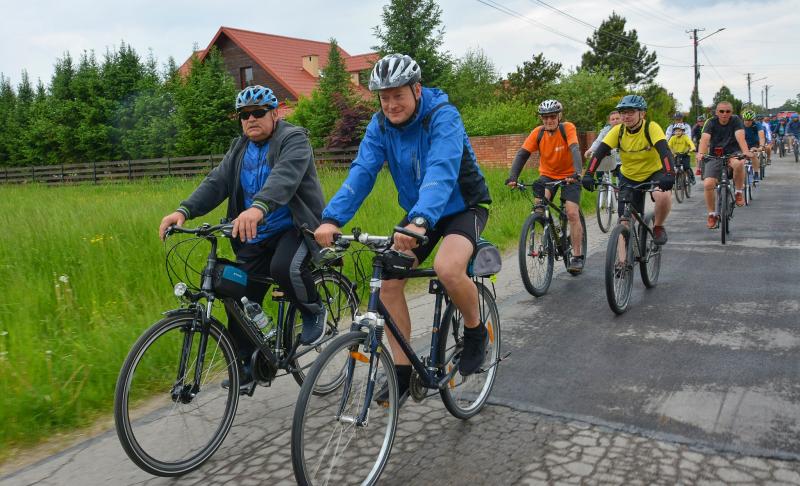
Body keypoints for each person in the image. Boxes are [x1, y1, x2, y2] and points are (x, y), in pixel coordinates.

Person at [314, 54, 492, 404]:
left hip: (463, 206)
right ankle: (402, 370)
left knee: (447, 268)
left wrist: (420, 220)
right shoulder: (380, 126)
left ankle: (475, 332)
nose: (391, 104)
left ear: (417, 89)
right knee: (389, 282)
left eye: (398, 95)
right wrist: (332, 218)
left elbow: (441, 169)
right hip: (419, 214)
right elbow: (362, 172)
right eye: (384, 97)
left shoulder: (443, 116)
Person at [158, 84, 328, 393]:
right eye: (244, 115)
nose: (251, 119)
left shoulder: (293, 139)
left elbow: (284, 177)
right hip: (256, 235)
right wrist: (184, 211)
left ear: (274, 114)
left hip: (295, 228)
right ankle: (249, 365)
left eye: (258, 112)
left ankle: (313, 310)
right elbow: (217, 182)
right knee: (235, 292)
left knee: (283, 267)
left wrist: (258, 208)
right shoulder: (239, 148)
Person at [582, 95, 675, 246]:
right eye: (623, 112)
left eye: (631, 112)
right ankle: (623, 259)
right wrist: (588, 174)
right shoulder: (618, 131)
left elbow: (665, 152)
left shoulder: (651, 128)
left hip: (654, 172)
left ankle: (658, 226)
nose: (626, 116)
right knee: (624, 222)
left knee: (663, 195)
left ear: (642, 113)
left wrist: (669, 173)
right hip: (629, 176)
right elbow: (599, 153)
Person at [506, 99, 585, 274]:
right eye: (545, 117)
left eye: (552, 116)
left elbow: (574, 149)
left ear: (559, 116)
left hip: (570, 176)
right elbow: (522, 154)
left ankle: (577, 256)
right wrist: (513, 176)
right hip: (548, 176)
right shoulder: (538, 133)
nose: (549, 120)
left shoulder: (567, 128)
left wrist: (577, 173)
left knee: (572, 212)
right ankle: (550, 233)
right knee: (539, 207)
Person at [696, 101, 752, 229]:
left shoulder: (736, 120)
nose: (724, 114)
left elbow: (740, 137)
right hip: (715, 155)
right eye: (721, 111)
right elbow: (705, 139)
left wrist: (745, 151)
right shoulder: (710, 122)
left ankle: (738, 192)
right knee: (708, 184)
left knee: (739, 163)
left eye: (728, 111)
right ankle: (712, 215)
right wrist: (701, 153)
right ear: (717, 112)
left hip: (733, 153)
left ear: (731, 113)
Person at [585, 110, 622, 182]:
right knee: (599, 170)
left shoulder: (626, 130)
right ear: (609, 122)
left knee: (622, 178)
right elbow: (598, 141)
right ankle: (601, 186)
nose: (615, 121)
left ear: (622, 119)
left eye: (617, 118)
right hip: (609, 159)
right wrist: (590, 150)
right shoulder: (605, 131)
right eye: (613, 119)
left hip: (621, 161)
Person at [741, 110, 765, 181]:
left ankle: (756, 173)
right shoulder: (740, 125)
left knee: (753, 155)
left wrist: (761, 146)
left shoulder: (757, 124)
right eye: (745, 120)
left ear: (753, 120)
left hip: (754, 143)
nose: (747, 122)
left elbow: (761, 136)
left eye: (749, 120)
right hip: (743, 143)